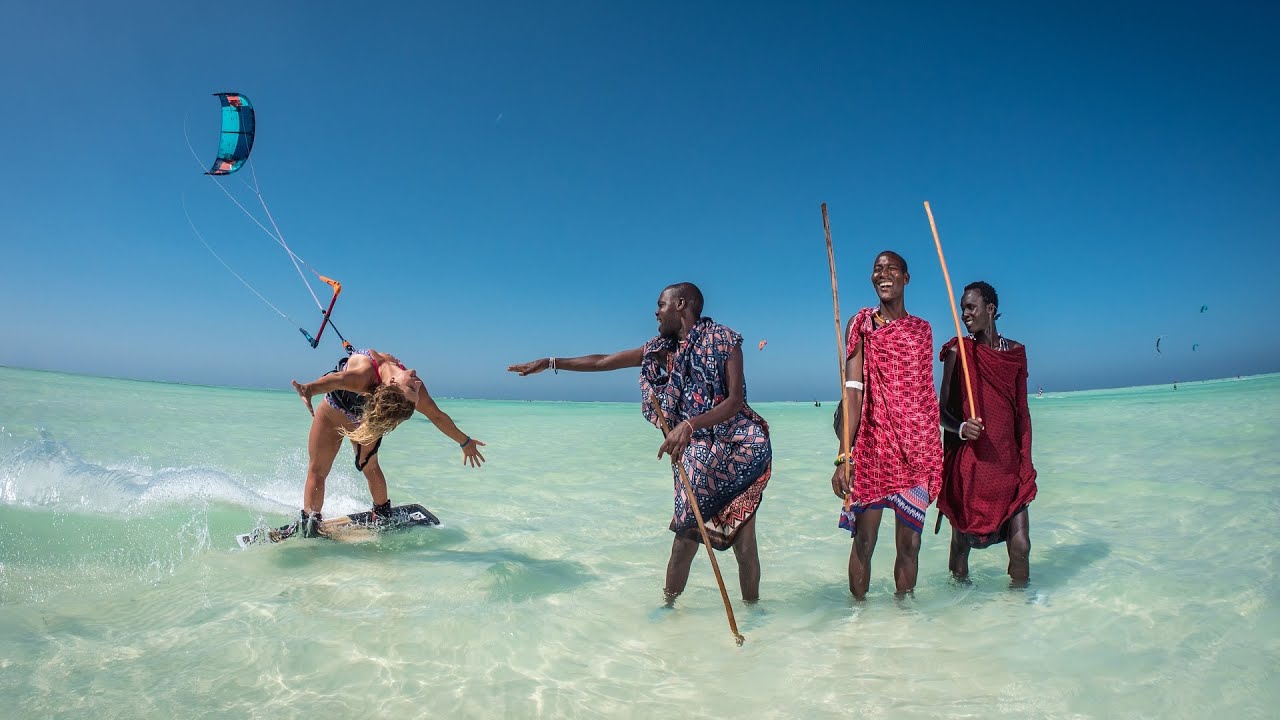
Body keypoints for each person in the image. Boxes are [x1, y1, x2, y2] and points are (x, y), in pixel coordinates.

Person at [507, 283, 771, 604]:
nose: (655, 311)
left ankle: (753, 614)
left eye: (661, 304)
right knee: (684, 539)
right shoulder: (660, 349)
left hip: (737, 452)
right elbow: (604, 361)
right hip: (694, 456)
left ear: (681, 304)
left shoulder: (724, 342)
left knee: (744, 546)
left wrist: (689, 424)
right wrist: (551, 362)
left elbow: (735, 401)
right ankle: (668, 610)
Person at [830, 251, 942, 599]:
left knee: (910, 545)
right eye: (877, 269)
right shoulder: (861, 325)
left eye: (891, 268)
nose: (883, 274)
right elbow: (853, 393)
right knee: (864, 541)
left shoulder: (922, 331)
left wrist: (932, 448)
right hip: (874, 447)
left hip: (917, 448)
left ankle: (904, 620)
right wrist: (843, 456)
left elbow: (924, 395)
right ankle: (857, 622)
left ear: (906, 278)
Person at [290, 348, 486, 537]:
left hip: (338, 415)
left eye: (413, 389)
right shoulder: (403, 382)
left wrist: (309, 389)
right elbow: (437, 416)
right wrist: (465, 441)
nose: (417, 384)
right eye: (413, 388)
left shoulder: (365, 375)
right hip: (363, 420)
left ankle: (312, 523)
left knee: (318, 470)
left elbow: (336, 380)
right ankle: (380, 514)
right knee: (368, 466)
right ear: (391, 382)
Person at [937, 282, 1037, 586]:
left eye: (971, 307)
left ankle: (1019, 612)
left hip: (1009, 467)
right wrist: (963, 428)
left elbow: (1022, 412)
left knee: (1021, 547)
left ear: (990, 309)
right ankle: (959, 606)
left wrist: (1025, 462)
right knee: (961, 545)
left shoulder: (1016, 353)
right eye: (962, 308)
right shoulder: (959, 352)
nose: (965, 314)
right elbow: (940, 412)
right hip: (972, 468)